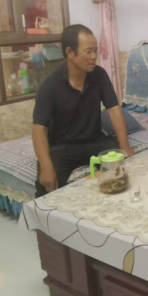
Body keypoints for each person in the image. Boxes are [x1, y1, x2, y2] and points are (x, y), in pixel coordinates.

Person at [32, 24, 135, 197]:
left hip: (95, 142)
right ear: (70, 53)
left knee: (122, 171)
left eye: (95, 51)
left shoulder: (99, 75)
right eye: (88, 51)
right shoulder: (50, 85)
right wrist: (46, 166)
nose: (94, 56)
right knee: (48, 186)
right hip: (62, 148)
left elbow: (114, 110)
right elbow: (38, 130)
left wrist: (125, 147)